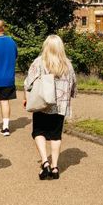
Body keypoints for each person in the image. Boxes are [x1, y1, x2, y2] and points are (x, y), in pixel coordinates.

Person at [23, 34, 77, 180]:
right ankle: (55, 166)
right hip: (60, 106)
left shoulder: (39, 62)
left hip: (42, 104)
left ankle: (45, 162)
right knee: (55, 135)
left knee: (39, 131)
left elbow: (28, 83)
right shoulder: (67, 64)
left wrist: (26, 97)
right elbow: (73, 86)